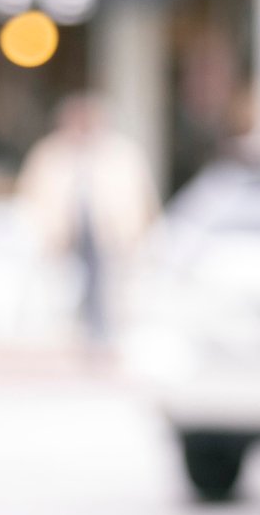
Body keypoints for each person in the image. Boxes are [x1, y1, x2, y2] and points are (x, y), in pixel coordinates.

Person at [14, 92, 161, 355]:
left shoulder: (121, 154)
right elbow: (31, 198)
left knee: (105, 285)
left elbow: (140, 201)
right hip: (61, 239)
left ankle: (102, 334)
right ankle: (78, 333)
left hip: (112, 239)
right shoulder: (50, 154)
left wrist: (134, 236)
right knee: (68, 288)